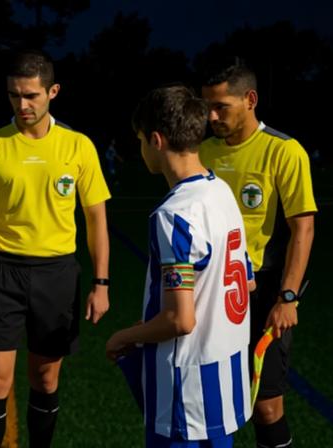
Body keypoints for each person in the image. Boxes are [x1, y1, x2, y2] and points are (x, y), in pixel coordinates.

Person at [0, 49, 111, 448]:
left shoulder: (78, 146)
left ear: (52, 92)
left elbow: (96, 220)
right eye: (13, 95)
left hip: (57, 274)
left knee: (45, 377)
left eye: (31, 96)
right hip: (1, 271)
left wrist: (101, 283)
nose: (21, 105)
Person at [107, 85, 253, 448]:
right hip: (227, 378)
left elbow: (180, 320)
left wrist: (124, 337)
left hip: (187, 396)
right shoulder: (221, 191)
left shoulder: (176, 215)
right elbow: (245, 283)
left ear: (156, 140)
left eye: (140, 140)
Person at [199, 62, 317, 448]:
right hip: (212, 292)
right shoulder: (203, 152)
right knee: (213, 399)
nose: (212, 116)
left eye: (221, 107)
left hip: (263, 292)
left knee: (266, 405)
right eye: (207, 107)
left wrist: (288, 297)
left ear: (250, 100)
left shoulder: (284, 151)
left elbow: (303, 228)